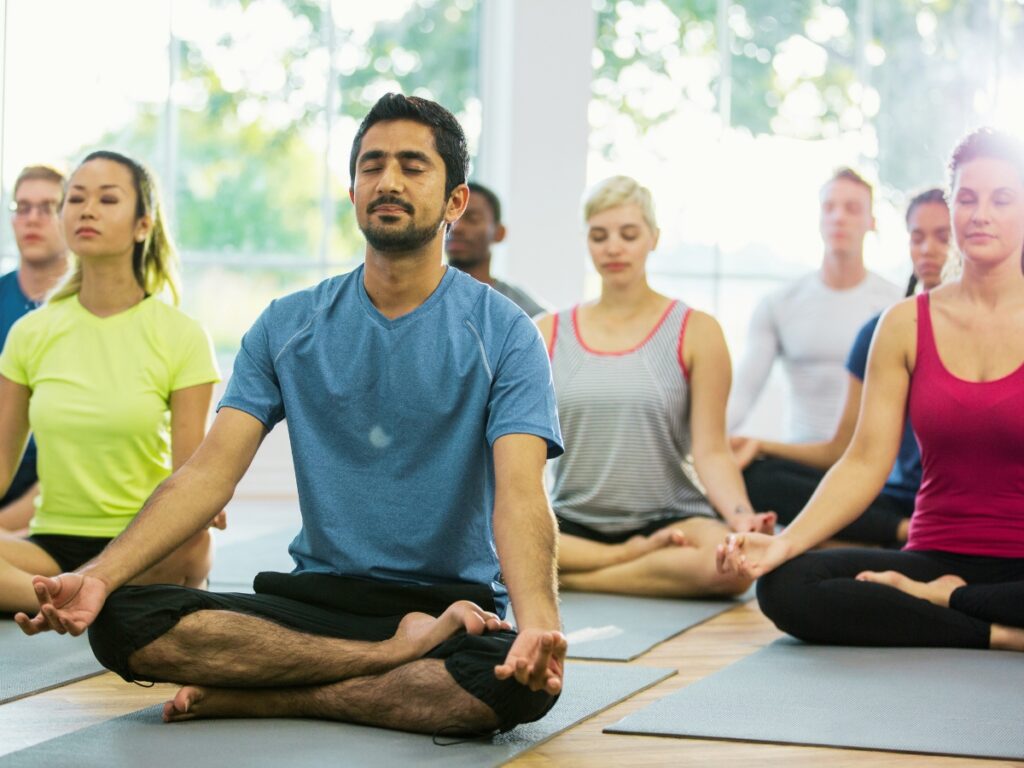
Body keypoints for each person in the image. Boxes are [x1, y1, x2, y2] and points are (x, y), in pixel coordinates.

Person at [18, 94, 567, 735]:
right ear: (354, 188)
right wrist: (97, 577)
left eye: (413, 166)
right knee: (122, 622)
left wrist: (538, 628)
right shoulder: (288, 324)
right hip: (316, 600)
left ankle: (276, 693)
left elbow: (523, 496)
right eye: (371, 165)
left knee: (512, 686)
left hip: (451, 606)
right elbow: (206, 476)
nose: (387, 180)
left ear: (455, 201)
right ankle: (388, 658)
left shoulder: (506, 332)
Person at [717, 128, 1024, 653]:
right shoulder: (903, 324)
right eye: (967, 199)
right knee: (786, 585)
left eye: (1002, 199)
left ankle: (943, 601)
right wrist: (784, 544)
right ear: (951, 206)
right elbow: (862, 461)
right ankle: (991, 629)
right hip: (932, 552)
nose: (981, 215)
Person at [0, 151, 221, 614]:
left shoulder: (181, 335)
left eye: (107, 199)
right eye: (76, 198)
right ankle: (88, 598)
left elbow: (190, 475)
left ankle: (69, 594)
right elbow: (2, 460)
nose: (87, 209)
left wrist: (205, 507)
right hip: (51, 545)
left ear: (143, 225)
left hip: (145, 545)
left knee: (194, 544)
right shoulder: (30, 333)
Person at [535, 176, 774, 598]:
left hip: (672, 520)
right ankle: (632, 559)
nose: (613, 247)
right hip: (574, 520)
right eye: (599, 235)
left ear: (654, 238)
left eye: (629, 234)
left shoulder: (697, 331)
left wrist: (741, 519)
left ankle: (576, 577)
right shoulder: (547, 332)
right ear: (585, 240)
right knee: (499, 544)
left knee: (732, 567)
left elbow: (712, 450)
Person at [732, 189, 951, 545]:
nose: (927, 249)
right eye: (917, 237)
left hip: (962, 502)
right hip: (892, 498)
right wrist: (758, 446)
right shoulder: (883, 328)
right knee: (757, 478)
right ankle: (903, 531)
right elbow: (846, 451)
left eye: (943, 237)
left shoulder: (992, 328)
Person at [728, 168, 902, 443]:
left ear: (871, 222)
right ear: (819, 218)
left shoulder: (897, 305)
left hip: (873, 469)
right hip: (798, 462)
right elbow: (741, 395)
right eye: (829, 207)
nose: (839, 217)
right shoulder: (779, 304)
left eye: (852, 208)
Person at [0, 166, 71, 532]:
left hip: (59, 489)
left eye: (47, 207)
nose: (32, 219)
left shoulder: (88, 310)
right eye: (22, 207)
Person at [446, 181, 546, 316]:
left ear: (499, 233)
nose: (456, 228)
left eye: (472, 219)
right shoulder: (419, 296)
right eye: (451, 217)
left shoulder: (524, 313)